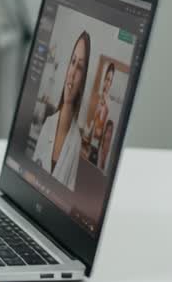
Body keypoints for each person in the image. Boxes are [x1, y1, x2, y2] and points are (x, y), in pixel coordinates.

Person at [32, 31, 90, 188]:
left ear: (83, 80)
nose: (72, 73)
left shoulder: (76, 142)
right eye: (73, 62)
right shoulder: (48, 124)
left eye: (79, 67)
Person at [86, 62, 115, 166]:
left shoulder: (109, 103)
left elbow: (107, 127)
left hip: (100, 146)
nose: (107, 83)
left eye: (110, 80)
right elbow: (92, 121)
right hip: (91, 140)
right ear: (103, 80)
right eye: (107, 79)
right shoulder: (97, 98)